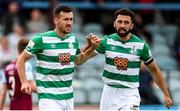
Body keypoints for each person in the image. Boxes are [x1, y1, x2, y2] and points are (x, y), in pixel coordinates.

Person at [16, 5, 100, 110]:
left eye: (71, 19)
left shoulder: (73, 40)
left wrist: (92, 48)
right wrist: (24, 82)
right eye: (65, 19)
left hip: (68, 97)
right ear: (56, 20)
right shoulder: (41, 39)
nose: (69, 22)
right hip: (48, 97)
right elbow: (21, 59)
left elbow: (79, 61)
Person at [89, 8, 172, 110]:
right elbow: (81, 58)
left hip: (129, 93)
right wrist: (89, 46)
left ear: (132, 25)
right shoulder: (106, 41)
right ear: (115, 23)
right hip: (108, 93)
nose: (123, 25)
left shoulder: (141, 46)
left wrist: (166, 94)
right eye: (120, 22)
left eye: (126, 22)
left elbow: (154, 70)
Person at [0, 38, 36, 110]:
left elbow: (3, 92)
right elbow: (31, 86)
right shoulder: (26, 65)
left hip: (13, 107)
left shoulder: (7, 67)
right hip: (24, 106)